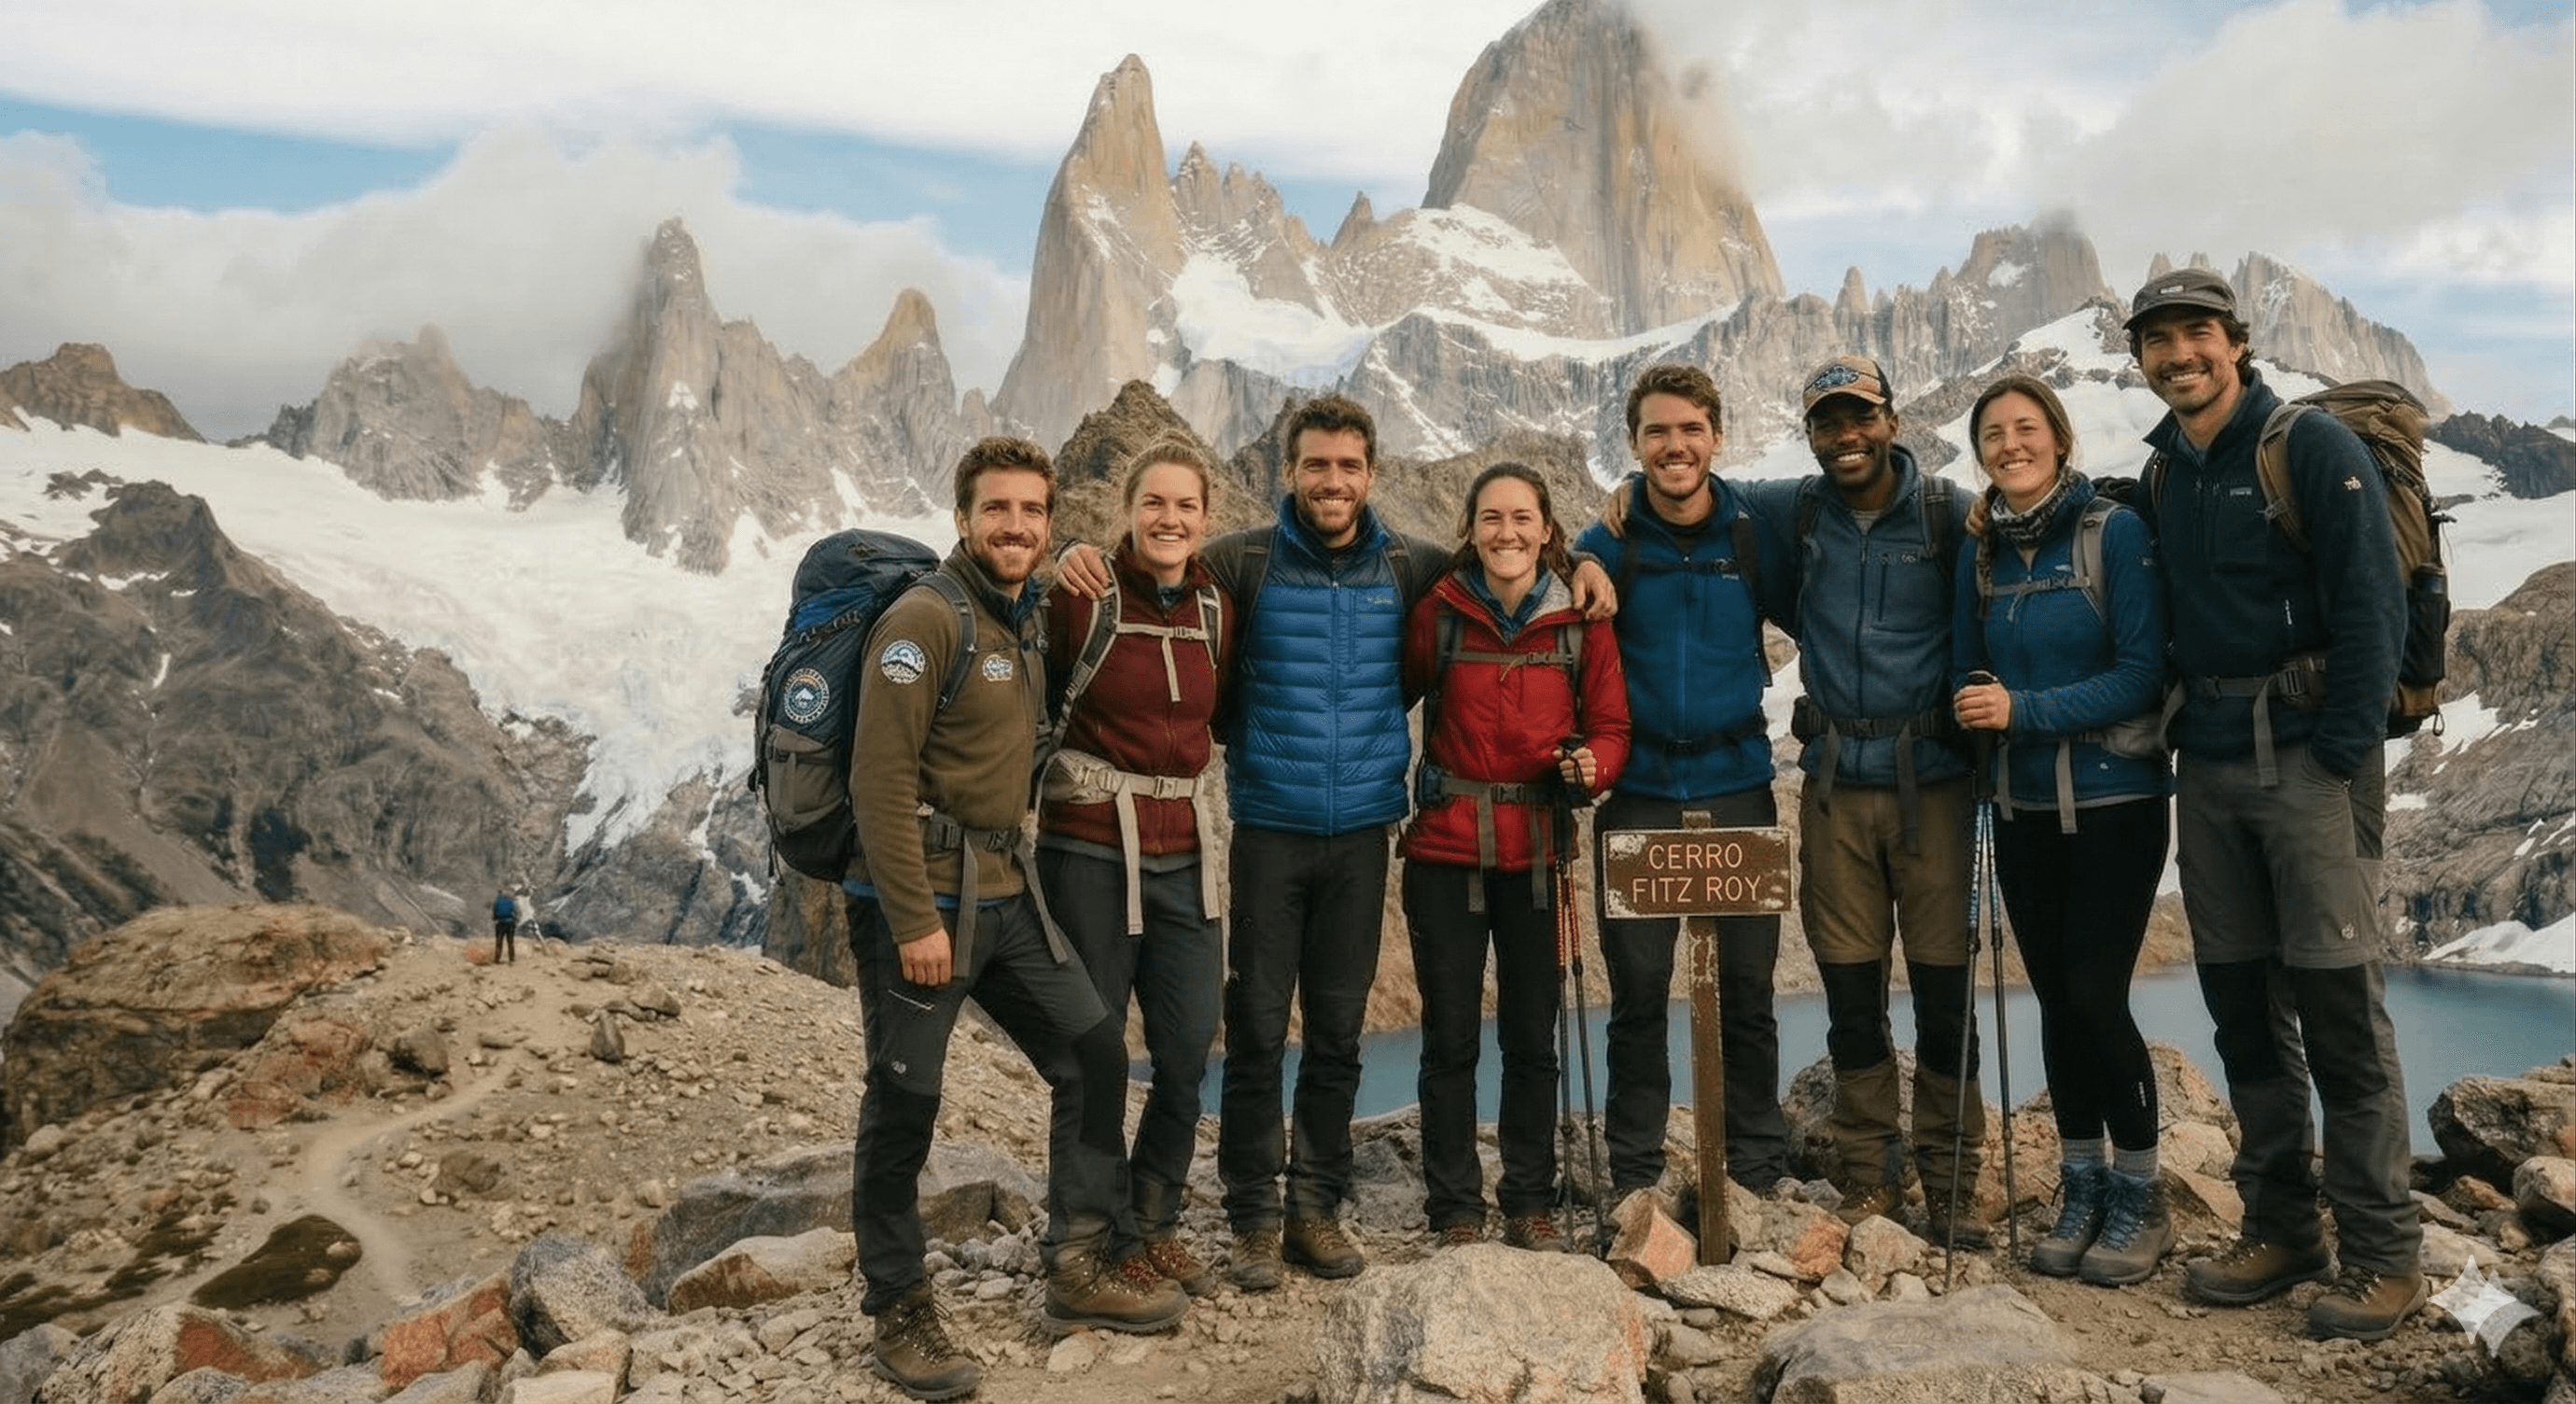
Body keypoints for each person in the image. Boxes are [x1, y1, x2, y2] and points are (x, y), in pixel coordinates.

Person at [847, 436, 1184, 1401]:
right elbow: (877, 781)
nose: (1016, 526)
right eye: (997, 509)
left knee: (1093, 1050)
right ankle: (898, 1306)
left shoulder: (1024, 615)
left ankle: (1077, 1262)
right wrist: (913, 919)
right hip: (923, 901)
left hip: (1005, 892)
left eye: (1033, 511)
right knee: (905, 1097)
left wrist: (1080, 561)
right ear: (962, 518)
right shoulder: (924, 621)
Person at [2120, 268, 2421, 1340]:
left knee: (2340, 1013)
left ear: (2236, 342)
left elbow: (2374, 606)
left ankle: (2385, 1254)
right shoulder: (2165, 472)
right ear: (2141, 358)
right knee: (2244, 1012)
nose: (2179, 354)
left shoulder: (2311, 448)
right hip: (2207, 768)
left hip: (2308, 763)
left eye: (2196, 333)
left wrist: (2339, 754)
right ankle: (2284, 1226)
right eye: (2159, 340)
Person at [1740, 356, 1984, 1243]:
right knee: (1850, 992)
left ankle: (1952, 1183)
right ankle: (1869, 1174)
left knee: (1945, 992)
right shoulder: (1798, 509)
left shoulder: (1952, 512)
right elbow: (1697, 489)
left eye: (1860, 416)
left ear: (1891, 419)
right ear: (1810, 433)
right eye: (1827, 422)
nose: (1846, 435)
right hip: (1837, 785)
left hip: (1936, 787)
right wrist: (1616, 509)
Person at [1947, 375, 2172, 1285]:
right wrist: (1974, 702)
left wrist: (2022, 710)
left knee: (2092, 992)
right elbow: (1968, 667)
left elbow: (2143, 674)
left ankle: (2141, 1193)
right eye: (1993, 434)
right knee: (2053, 995)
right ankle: (2081, 1185)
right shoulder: (1983, 553)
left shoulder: (2114, 534)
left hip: (2118, 803)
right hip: (2022, 807)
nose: (2011, 444)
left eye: (2026, 427)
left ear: (2059, 436)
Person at [1574, 363, 1796, 1201]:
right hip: (1637, 792)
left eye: (1690, 429)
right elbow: (1546, 574)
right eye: (1657, 432)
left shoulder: (1754, 530)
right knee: (1637, 996)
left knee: (1748, 990)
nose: (1676, 446)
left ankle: (1757, 1168)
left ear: (1717, 436)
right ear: (1634, 445)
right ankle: (1635, 1174)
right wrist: (1577, 555)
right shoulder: (1606, 542)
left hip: (1738, 782)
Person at [1402, 462, 1629, 1251]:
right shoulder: (1439, 610)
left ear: (1546, 529)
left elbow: (1611, 726)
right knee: (1450, 1039)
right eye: (1492, 518)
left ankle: (1529, 1200)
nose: (1507, 532)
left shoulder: (1581, 620)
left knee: (1533, 1037)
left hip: (1538, 852)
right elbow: (1386, 694)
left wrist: (1592, 768)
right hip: (1444, 853)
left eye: (1522, 518)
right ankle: (1455, 1211)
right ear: (1470, 530)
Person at [1038, 437, 1238, 1297]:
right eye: (1153, 502)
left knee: (1187, 1047)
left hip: (1187, 852)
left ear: (1206, 518)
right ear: (1128, 511)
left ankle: (1151, 1222)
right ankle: (1085, 1239)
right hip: (1089, 846)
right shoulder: (1082, 597)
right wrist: (1059, 557)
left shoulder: (1216, 608)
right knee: (1093, 1049)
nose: (1169, 518)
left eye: (1185, 505)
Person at [490, 891, 516, 964]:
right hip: (510, 923)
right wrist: (515, 919)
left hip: (501, 924)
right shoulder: (511, 900)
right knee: (510, 942)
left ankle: (497, 959)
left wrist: (495, 918)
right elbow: (515, 910)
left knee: (499, 942)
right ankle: (511, 959)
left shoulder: (497, 901)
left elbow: (494, 913)